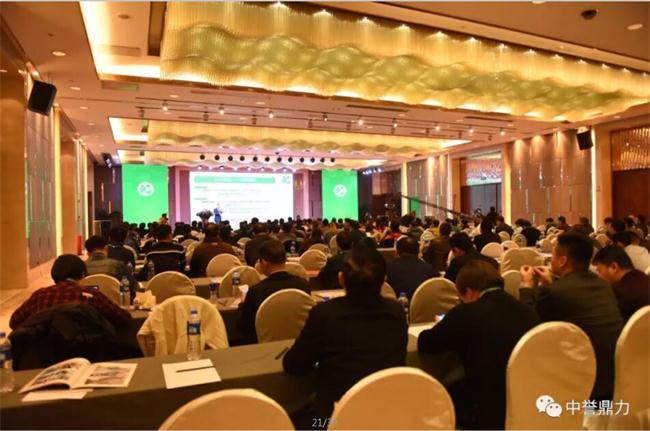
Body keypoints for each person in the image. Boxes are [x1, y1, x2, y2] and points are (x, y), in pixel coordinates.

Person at [283, 246, 407, 426]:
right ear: (384, 279)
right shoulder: (397, 311)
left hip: (332, 420)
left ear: (341, 279)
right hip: (386, 414)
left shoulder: (324, 314)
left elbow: (296, 365)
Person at [418, 260, 539, 429]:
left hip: (485, 408)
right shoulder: (527, 310)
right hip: (527, 400)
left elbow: (426, 343)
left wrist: (445, 324)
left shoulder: (465, 313)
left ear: (469, 292)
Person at [520, 233, 623, 400]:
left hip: (582, 383)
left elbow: (530, 328)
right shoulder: (603, 285)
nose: (551, 261)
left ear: (562, 261)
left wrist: (526, 286)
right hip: (615, 377)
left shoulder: (555, 291)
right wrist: (550, 284)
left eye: (553, 256)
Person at [10, 254, 131, 329]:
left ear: (54, 274)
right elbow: (124, 318)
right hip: (87, 354)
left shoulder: (39, 295)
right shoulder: (91, 295)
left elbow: (14, 322)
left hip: (45, 356)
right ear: (82, 274)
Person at [237, 240, 311, 344]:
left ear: (264, 263)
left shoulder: (256, 291)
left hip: (264, 346)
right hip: (300, 343)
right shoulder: (303, 285)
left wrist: (242, 303)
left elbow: (243, 325)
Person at [592, 246, 650, 322]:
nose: (599, 276)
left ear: (614, 267)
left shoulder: (618, 291)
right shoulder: (642, 276)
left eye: (599, 271)